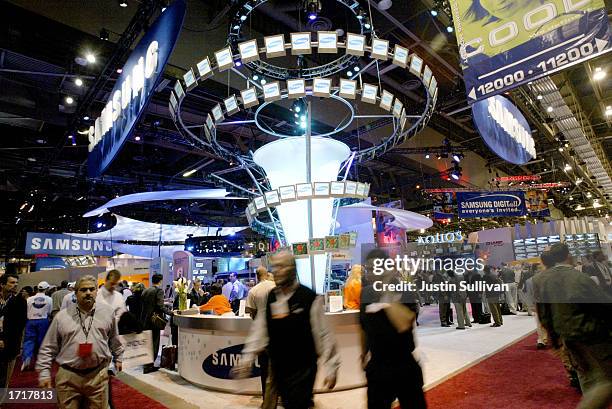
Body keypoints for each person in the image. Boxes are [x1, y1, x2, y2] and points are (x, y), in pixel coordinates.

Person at [236, 250, 339, 409]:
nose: (276, 271)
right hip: (279, 366)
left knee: (297, 403)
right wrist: (247, 357)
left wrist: (332, 367)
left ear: (292, 268)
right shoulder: (272, 296)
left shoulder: (309, 297)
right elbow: (261, 328)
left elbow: (324, 334)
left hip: (303, 369)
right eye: (275, 267)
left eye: (281, 267)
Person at [534, 243, 612, 409]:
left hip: (567, 336)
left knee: (585, 375)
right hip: (590, 334)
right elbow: (602, 306)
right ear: (568, 256)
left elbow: (544, 313)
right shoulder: (579, 277)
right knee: (607, 381)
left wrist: (554, 338)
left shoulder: (542, 280)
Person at [36, 275, 124, 409]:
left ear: (96, 291)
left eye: (91, 289)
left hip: (98, 375)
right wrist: (44, 373)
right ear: (75, 293)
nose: (88, 293)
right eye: (83, 290)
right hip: (68, 376)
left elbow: (114, 338)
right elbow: (48, 347)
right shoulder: (62, 316)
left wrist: (119, 357)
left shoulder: (107, 313)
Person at [359, 248, 426, 409]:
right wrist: (363, 354)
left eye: (375, 268)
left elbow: (403, 323)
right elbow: (363, 327)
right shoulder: (366, 293)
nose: (370, 273)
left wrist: (386, 290)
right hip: (378, 365)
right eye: (368, 268)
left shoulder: (404, 290)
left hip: (404, 364)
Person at [245, 266, 277, 407]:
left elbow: (251, 313)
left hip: (262, 336)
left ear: (257, 275)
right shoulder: (277, 287)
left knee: (264, 369)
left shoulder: (253, 291)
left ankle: (267, 399)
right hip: (278, 335)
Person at [0, 274, 27, 392]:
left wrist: (18, 346)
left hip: (10, 345)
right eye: (11, 282)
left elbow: (20, 326)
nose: (15, 285)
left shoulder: (20, 302)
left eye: (16, 282)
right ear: (2, 284)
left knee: (5, 378)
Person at [141, 274, 171, 374]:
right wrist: (171, 313)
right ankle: (149, 366)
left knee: (147, 343)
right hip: (154, 321)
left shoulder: (146, 290)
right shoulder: (159, 291)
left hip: (145, 320)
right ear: (160, 281)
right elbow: (160, 306)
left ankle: (146, 363)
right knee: (154, 343)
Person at [22, 281, 53, 370]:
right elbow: (49, 312)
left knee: (29, 340)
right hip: (43, 321)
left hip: (30, 320)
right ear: (46, 289)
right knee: (42, 341)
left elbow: (26, 310)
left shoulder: (30, 299)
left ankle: (27, 358)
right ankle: (40, 361)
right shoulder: (49, 299)